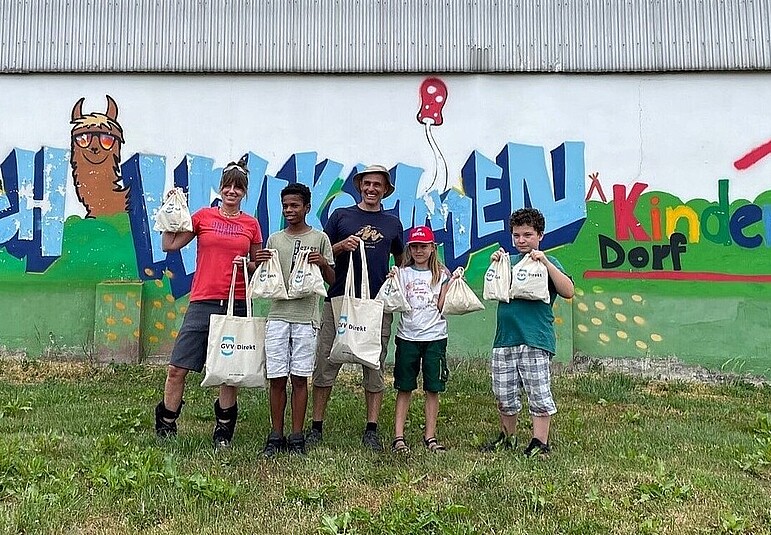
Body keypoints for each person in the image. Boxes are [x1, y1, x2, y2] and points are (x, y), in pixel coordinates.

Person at [154, 156, 263, 449]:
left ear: (244, 192)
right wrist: (171, 214)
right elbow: (169, 244)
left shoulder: (251, 225)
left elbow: (257, 265)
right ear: (220, 188)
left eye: (237, 188)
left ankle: (223, 431)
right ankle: (166, 423)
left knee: (230, 369)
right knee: (177, 367)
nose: (231, 192)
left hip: (236, 300)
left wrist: (251, 264)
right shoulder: (203, 217)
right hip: (202, 299)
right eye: (227, 186)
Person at [308, 164, 404, 452]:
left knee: (373, 366)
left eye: (377, 185)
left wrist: (395, 276)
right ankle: (316, 427)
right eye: (367, 184)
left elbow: (402, 258)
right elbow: (321, 253)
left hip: (377, 305)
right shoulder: (341, 216)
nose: (371, 189)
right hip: (338, 300)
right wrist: (339, 246)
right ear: (359, 186)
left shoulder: (392, 223)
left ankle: (371, 428)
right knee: (326, 363)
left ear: (385, 189)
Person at [481, 208, 574, 456]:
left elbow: (568, 291)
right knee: (504, 392)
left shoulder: (548, 263)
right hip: (505, 339)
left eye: (527, 235)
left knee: (538, 391)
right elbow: (492, 288)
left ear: (540, 235)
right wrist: (496, 263)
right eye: (516, 235)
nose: (521, 240)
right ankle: (507, 437)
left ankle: (540, 442)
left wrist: (545, 262)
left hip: (535, 339)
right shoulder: (508, 261)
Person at [255, 183, 335, 458]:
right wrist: (259, 261)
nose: (289, 210)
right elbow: (266, 277)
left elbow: (331, 280)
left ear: (307, 208)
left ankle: (297, 435)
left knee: (300, 377)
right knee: (277, 377)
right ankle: (276, 434)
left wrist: (323, 263)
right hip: (277, 315)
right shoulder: (275, 239)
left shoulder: (320, 238)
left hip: (306, 318)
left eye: (295, 206)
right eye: (286, 206)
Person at [389, 226, 458, 454]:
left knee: (433, 388)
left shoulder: (442, 274)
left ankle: (430, 436)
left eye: (424, 246)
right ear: (409, 248)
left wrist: (451, 284)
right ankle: (398, 437)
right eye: (415, 246)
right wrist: (392, 280)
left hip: (435, 338)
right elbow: (394, 300)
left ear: (432, 248)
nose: (419, 250)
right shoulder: (402, 272)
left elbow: (442, 306)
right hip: (407, 336)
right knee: (404, 387)